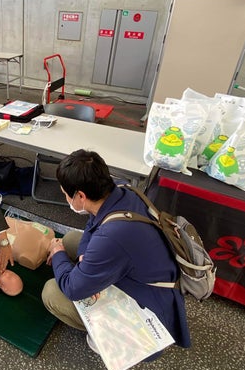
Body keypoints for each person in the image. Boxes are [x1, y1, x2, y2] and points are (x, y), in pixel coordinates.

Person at [41, 149, 191, 356]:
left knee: (52, 292)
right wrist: (84, 257)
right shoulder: (121, 189)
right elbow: (92, 223)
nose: (66, 199)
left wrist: (57, 251)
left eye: (66, 194)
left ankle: (112, 338)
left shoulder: (112, 236)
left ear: (81, 196)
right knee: (72, 240)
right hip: (150, 279)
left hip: (148, 316)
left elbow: (72, 288)